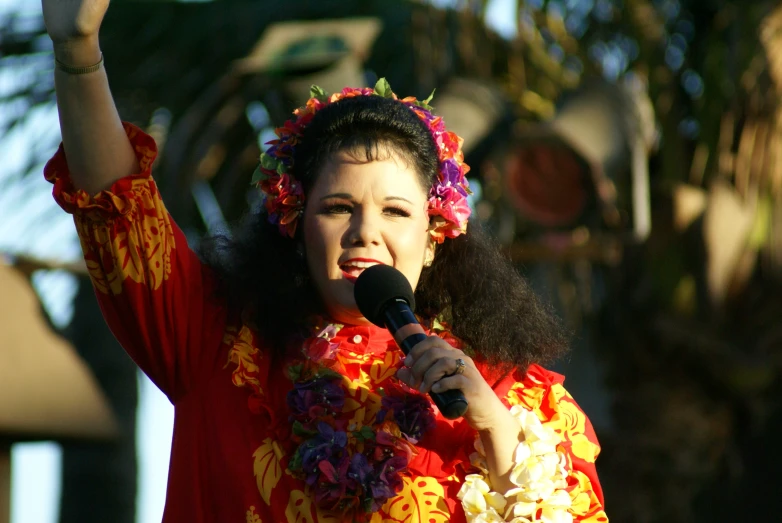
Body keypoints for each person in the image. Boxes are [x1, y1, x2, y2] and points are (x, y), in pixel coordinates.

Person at [41, 0, 608, 521]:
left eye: (395, 212)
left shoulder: (515, 393)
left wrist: (495, 428)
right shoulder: (217, 344)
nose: (366, 232)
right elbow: (118, 207)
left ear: (436, 236)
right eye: (339, 207)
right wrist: (78, 50)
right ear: (294, 222)